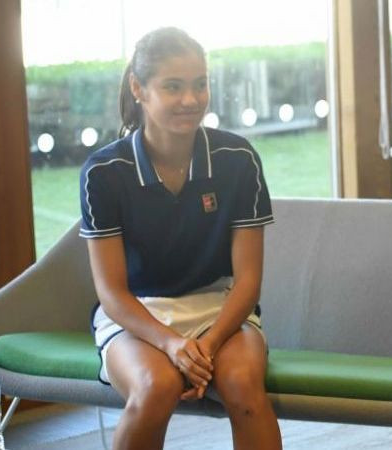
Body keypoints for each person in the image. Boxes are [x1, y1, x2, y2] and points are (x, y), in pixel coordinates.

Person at [79, 27, 281, 450]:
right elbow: (112, 293)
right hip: (138, 316)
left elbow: (248, 282)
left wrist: (206, 345)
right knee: (155, 388)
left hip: (220, 311)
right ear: (139, 88)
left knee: (244, 387)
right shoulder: (103, 172)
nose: (191, 100)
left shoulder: (238, 159)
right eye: (173, 87)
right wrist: (171, 344)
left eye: (200, 85)